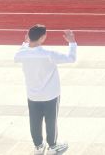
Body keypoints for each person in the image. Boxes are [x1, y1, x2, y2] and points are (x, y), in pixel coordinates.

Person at [14, 25, 76, 155]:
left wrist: (25, 43)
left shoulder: (21, 54)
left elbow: (18, 55)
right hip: (50, 95)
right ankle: (52, 146)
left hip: (33, 95)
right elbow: (71, 58)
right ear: (42, 38)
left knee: (34, 121)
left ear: (29, 36)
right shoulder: (49, 54)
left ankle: (38, 146)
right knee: (51, 121)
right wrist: (72, 43)